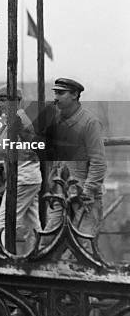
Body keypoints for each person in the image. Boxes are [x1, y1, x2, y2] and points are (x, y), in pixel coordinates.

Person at [0, 85, 42, 253]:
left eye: (4, 100)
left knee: (2, 223)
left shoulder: (17, 120)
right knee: (33, 224)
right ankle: (36, 255)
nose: (0, 104)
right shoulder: (14, 118)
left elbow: (0, 149)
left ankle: (3, 258)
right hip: (31, 176)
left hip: (22, 176)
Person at [45, 77, 106, 238]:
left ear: (75, 95)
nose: (56, 97)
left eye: (61, 93)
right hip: (59, 192)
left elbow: (98, 162)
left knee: (84, 243)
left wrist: (88, 190)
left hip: (84, 195)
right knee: (49, 241)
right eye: (55, 93)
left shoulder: (90, 122)